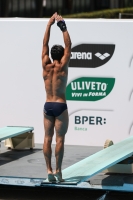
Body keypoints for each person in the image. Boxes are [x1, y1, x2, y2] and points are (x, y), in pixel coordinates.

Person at [42, 12, 71, 182]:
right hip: (60, 106)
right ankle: (58, 172)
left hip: (47, 106)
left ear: (52, 55)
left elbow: (44, 43)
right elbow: (69, 44)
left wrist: (49, 24)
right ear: (62, 55)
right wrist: (63, 26)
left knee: (47, 138)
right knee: (59, 140)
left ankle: (48, 170)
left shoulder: (46, 64)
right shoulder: (63, 67)